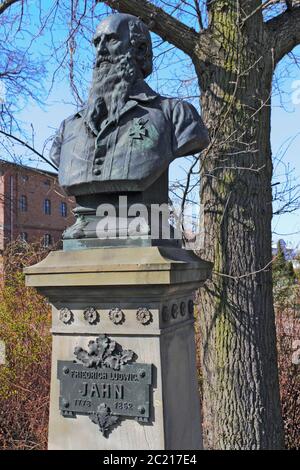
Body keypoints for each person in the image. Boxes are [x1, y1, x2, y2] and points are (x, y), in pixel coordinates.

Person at [50, 13, 209, 240]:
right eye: (97, 42)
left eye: (112, 40)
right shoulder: (68, 128)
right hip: (86, 227)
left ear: (140, 50)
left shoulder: (176, 115)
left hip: (147, 227)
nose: (101, 50)